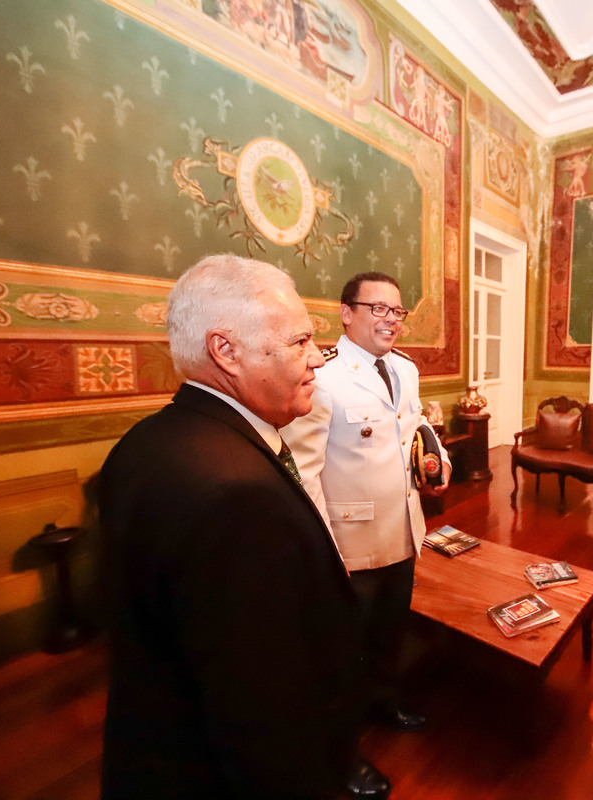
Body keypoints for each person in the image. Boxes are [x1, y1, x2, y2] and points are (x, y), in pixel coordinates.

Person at [97, 254, 360, 799]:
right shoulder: (240, 495)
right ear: (226, 351)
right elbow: (259, 705)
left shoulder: (143, 442)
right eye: (299, 342)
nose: (317, 359)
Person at [280, 271, 449, 799]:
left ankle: (384, 699)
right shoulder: (323, 377)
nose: (389, 320)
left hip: (402, 530)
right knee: (340, 654)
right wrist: (324, 550)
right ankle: (340, 751)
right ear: (346, 313)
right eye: (376, 309)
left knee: (387, 634)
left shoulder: (406, 370)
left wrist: (438, 461)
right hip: (348, 546)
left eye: (396, 311)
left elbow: (417, 428)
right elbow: (303, 471)